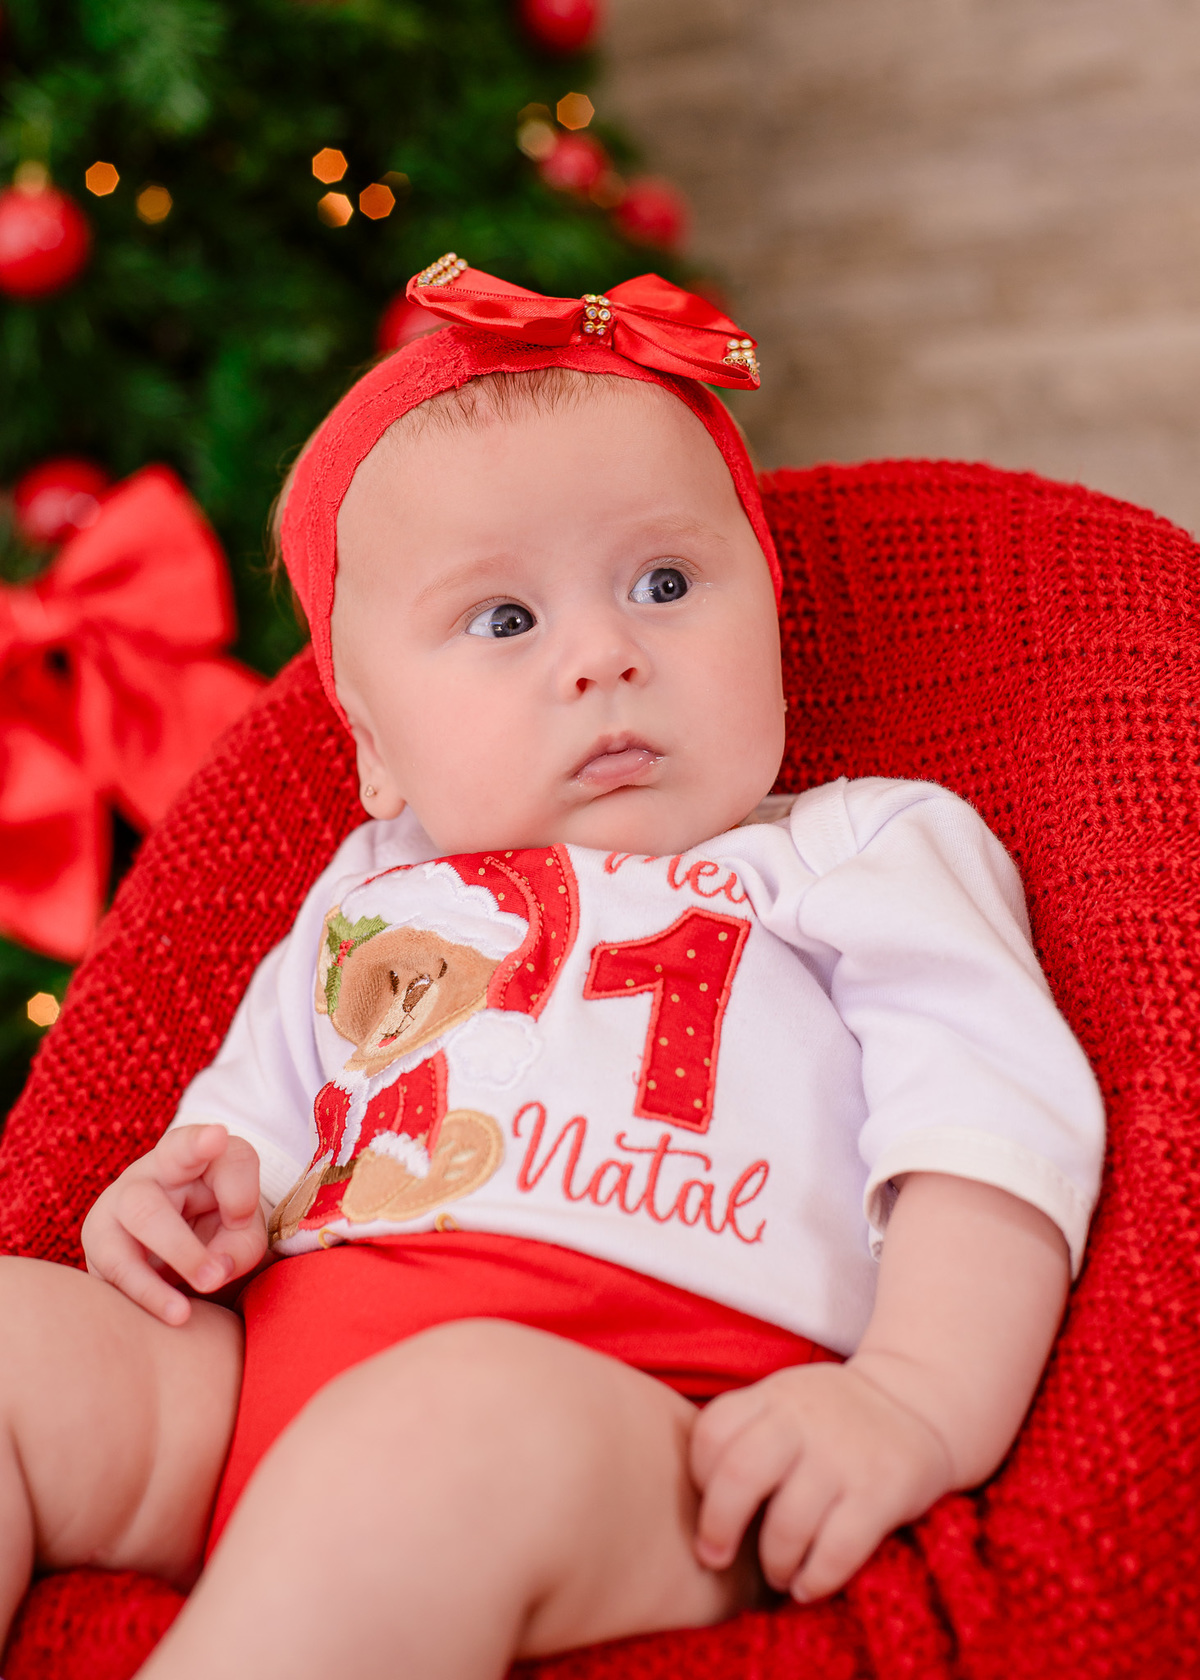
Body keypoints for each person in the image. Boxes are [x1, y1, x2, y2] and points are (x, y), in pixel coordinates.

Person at [0, 265, 1104, 1680]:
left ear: (771, 620)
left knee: (444, 1431)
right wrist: (177, 1206)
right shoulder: (366, 893)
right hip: (263, 1386)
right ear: (374, 749)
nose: (603, 655)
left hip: (648, 1421)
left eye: (665, 584)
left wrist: (909, 1401)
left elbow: (990, 1133)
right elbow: (241, 1142)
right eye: (505, 619)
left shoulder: (854, 852)